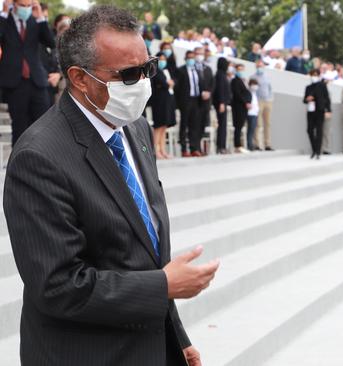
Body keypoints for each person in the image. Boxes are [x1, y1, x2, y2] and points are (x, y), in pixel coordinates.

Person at [4, 6, 220, 365]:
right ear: (80, 77)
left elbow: (147, 253)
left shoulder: (133, 127)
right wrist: (164, 287)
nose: (143, 83)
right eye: (128, 75)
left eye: (147, 68)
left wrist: (175, 338)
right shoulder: (38, 157)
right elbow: (57, 286)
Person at [0, 0, 56, 146]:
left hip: (37, 81)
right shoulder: (5, 20)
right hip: (15, 83)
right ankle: (20, 165)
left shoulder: (35, 21)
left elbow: (51, 42)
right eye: (22, 5)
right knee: (19, 127)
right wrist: (4, 13)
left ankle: (44, 160)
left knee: (44, 125)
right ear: (13, 4)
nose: (26, 9)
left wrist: (41, 19)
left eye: (28, 6)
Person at [175, 50, 204, 157]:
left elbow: (200, 84)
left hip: (196, 100)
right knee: (184, 125)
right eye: (189, 58)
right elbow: (178, 88)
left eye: (193, 58)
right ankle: (184, 149)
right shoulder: (181, 70)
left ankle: (194, 148)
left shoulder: (197, 70)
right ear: (186, 59)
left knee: (194, 125)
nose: (191, 60)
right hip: (185, 101)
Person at [151, 51, 176, 159]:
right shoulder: (155, 71)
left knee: (164, 126)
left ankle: (162, 150)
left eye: (164, 59)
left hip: (167, 101)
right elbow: (164, 83)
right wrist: (167, 83)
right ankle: (155, 150)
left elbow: (171, 83)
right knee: (159, 126)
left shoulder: (165, 70)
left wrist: (168, 83)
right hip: (159, 102)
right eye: (160, 59)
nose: (163, 61)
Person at [303, 68, 331, 159]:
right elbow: (304, 100)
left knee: (319, 131)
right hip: (310, 111)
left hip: (319, 110)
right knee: (309, 130)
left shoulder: (322, 85)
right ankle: (314, 149)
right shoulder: (308, 87)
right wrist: (307, 99)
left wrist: (328, 110)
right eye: (312, 75)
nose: (314, 77)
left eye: (315, 75)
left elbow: (327, 98)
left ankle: (318, 152)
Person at [250, 58, 274, 151]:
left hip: (267, 101)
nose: (260, 67)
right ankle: (257, 144)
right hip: (258, 101)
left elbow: (270, 89)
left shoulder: (267, 76)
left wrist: (270, 99)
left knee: (267, 123)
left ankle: (267, 143)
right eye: (258, 65)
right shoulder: (253, 77)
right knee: (258, 123)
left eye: (261, 65)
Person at [194, 46, 214, 151]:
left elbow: (212, 83)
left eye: (201, 53)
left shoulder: (208, 69)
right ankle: (196, 147)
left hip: (206, 102)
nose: (199, 56)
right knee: (195, 125)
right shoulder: (192, 67)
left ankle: (204, 148)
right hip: (196, 101)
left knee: (204, 124)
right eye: (197, 53)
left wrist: (209, 92)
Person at [230, 64, 251, 153]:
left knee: (241, 126)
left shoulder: (243, 81)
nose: (240, 71)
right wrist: (245, 102)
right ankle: (237, 145)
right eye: (239, 69)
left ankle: (240, 145)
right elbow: (238, 94)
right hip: (238, 107)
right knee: (238, 126)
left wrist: (249, 102)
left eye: (242, 69)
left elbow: (247, 92)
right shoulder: (235, 81)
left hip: (244, 107)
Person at [213, 57, 231, 154]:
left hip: (223, 102)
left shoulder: (223, 74)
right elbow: (220, 90)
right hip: (221, 103)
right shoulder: (220, 75)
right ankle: (221, 146)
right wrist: (221, 102)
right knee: (222, 125)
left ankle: (222, 145)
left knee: (223, 125)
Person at [247, 78, 259, 151]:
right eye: (253, 84)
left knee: (253, 129)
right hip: (250, 113)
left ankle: (251, 144)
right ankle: (249, 145)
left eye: (256, 85)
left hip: (255, 113)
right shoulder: (248, 92)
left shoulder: (254, 94)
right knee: (250, 130)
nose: (255, 86)